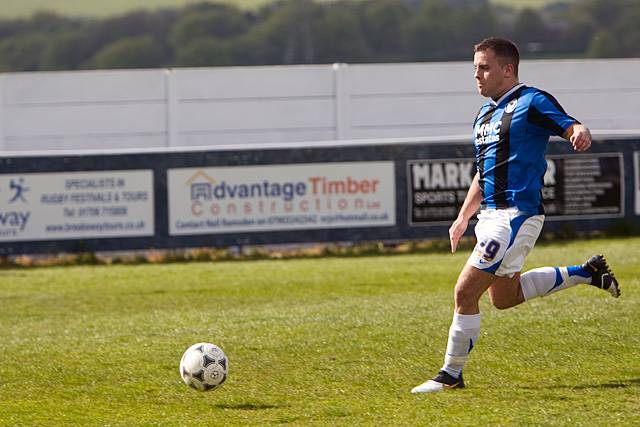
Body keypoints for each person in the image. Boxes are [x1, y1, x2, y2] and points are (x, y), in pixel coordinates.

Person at [410, 37, 621, 394]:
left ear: (508, 69)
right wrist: (463, 217)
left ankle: (450, 375)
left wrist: (579, 131)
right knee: (504, 297)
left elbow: (569, 125)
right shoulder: (483, 114)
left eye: (484, 67)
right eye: (475, 68)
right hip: (489, 217)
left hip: (516, 215)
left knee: (465, 292)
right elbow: (483, 172)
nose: (477, 75)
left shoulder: (532, 100)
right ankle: (587, 273)